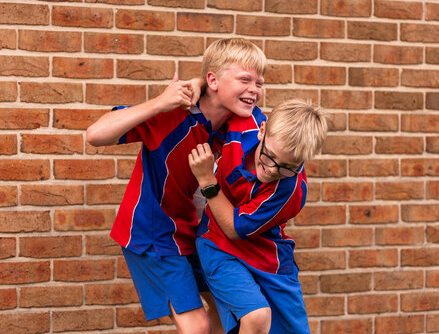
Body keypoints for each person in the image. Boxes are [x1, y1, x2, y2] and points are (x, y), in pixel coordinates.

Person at [86, 38, 266, 334]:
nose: (254, 89)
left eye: (259, 82)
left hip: (202, 234)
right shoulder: (173, 114)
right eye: (245, 79)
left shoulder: (244, 123)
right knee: (196, 326)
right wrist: (160, 101)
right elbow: (95, 134)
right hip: (156, 233)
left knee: (232, 315)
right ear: (214, 80)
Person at [188, 99, 328, 334]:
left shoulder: (289, 189)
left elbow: (234, 227)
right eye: (270, 156)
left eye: (287, 166)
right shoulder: (246, 122)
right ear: (262, 130)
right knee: (255, 317)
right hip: (219, 245)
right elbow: (222, 90)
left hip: (267, 259)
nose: (273, 170)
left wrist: (207, 182)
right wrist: (194, 86)